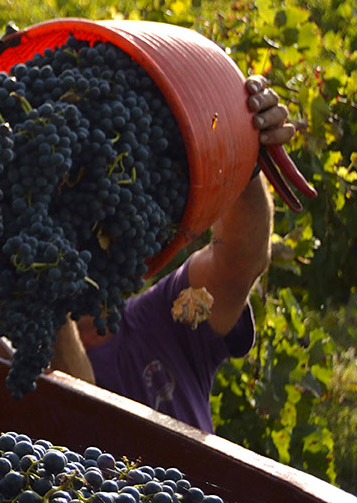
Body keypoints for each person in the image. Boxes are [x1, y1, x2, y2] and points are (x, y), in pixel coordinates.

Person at [51, 76, 299, 433]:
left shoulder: (167, 316)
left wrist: (244, 155)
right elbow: (83, 427)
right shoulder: (12, 350)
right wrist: (44, 297)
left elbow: (239, 264)